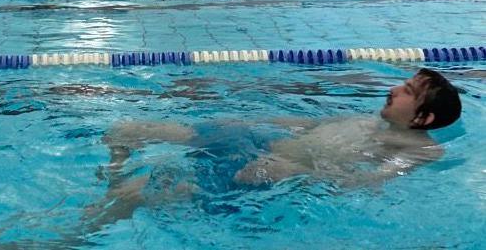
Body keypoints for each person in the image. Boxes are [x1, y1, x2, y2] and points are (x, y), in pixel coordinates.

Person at [81, 68, 461, 234]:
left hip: (264, 175)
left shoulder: (421, 152)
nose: (395, 89)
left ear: (423, 119)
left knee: (129, 196)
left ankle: (64, 237)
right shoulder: (372, 119)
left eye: (408, 91)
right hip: (254, 142)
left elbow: (365, 183)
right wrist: (251, 122)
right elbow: (309, 127)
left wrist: (296, 172)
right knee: (126, 130)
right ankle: (113, 171)